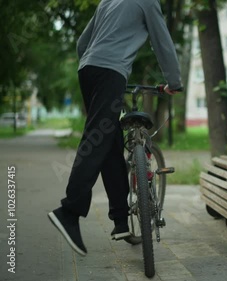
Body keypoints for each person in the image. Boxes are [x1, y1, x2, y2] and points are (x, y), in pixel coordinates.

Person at [48, 0, 182, 256]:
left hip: (87, 69)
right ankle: (69, 212)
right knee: (97, 140)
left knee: (110, 143)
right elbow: (161, 42)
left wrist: (94, 66)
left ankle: (120, 221)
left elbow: (81, 45)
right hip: (110, 72)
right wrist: (173, 81)